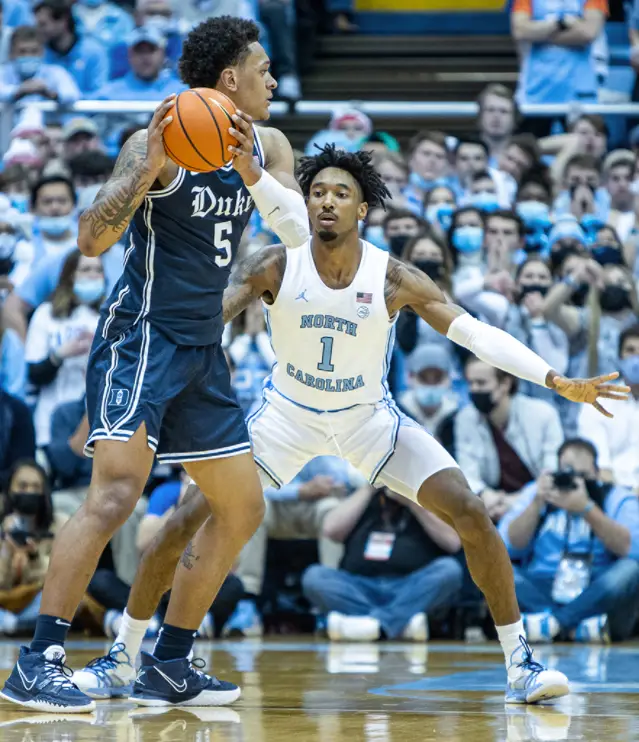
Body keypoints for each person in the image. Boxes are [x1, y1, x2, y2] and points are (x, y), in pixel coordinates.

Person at [77, 145, 631, 706]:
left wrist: (554, 378)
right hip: (284, 417)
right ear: (304, 204)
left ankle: (520, 665)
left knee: (470, 510)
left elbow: (472, 332)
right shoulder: (274, 264)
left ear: (362, 209)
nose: (327, 201)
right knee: (183, 520)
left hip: (368, 419)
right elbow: (206, 320)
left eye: (341, 193)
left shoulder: (391, 275)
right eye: (317, 192)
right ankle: (122, 658)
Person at [1, 14, 309, 713]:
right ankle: (38, 661)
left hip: (204, 345)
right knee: (115, 495)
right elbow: (90, 239)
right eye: (263, 69)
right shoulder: (155, 141)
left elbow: (298, 234)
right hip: (141, 339)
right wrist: (144, 172)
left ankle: (167, 661)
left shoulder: (271, 145)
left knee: (242, 507)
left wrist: (252, 171)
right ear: (229, 77)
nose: (272, 80)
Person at [499, 439, 639, 643]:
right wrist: (537, 504)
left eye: (584, 476)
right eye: (569, 475)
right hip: (543, 584)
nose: (576, 483)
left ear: (597, 473)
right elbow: (508, 546)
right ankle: (576, 627)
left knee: (630, 570)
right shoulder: (539, 492)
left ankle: (551, 624)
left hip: (595, 588)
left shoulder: (616, 497)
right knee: (494, 567)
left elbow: (632, 549)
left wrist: (587, 509)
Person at [302, 485, 463, 642]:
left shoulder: (427, 499)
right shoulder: (364, 497)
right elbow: (330, 530)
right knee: (315, 576)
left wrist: (412, 502)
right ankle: (399, 624)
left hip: (409, 588)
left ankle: (370, 625)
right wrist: (369, 488)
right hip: (359, 588)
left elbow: (453, 542)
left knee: (449, 570)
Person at [24, 250, 103, 449]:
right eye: (86, 269)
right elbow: (33, 375)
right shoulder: (46, 315)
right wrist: (60, 354)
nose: (93, 275)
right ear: (70, 275)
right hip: (49, 421)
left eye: (98, 270)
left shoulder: (108, 320)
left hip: (92, 424)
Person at [577, 324, 639, 491]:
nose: (636, 359)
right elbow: (600, 468)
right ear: (620, 358)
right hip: (609, 490)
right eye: (630, 351)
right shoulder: (597, 401)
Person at [0, 460, 58, 636]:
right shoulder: (2, 526)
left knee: (62, 598)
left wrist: (34, 556)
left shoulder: (58, 526)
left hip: (35, 601)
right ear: (10, 490)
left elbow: (56, 578)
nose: (29, 492)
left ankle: (12, 625)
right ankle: (17, 625)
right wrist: (6, 547)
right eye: (22, 486)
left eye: (35, 487)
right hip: (4, 599)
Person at [34, 0, 109, 96]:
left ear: (62, 21)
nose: (38, 30)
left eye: (43, 24)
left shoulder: (93, 52)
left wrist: (64, 98)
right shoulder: (40, 52)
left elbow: (99, 94)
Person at [0, 25, 80, 108]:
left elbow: (72, 95)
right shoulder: (3, 72)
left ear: (42, 52)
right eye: (22, 51)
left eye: (34, 51)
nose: (28, 56)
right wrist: (20, 91)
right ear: (12, 53)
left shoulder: (56, 72)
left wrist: (50, 94)